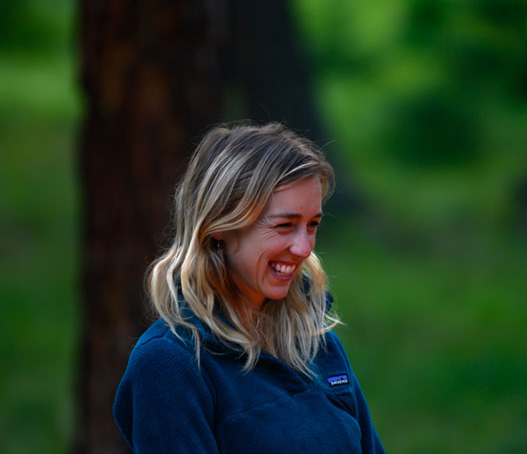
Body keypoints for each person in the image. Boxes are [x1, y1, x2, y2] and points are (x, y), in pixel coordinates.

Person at [113, 122, 385, 453]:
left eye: (312, 225)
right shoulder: (170, 363)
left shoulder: (318, 343)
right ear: (220, 226)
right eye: (285, 225)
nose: (303, 248)